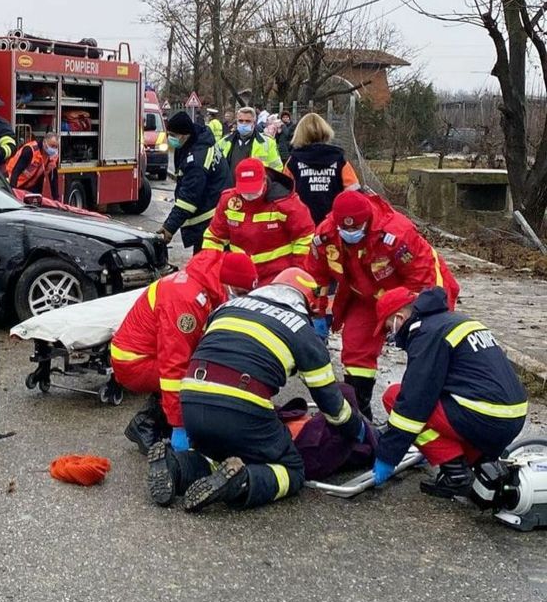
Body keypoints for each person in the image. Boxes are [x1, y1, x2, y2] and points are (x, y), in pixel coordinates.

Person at [146, 267, 367, 511]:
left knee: (215, 456)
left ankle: (175, 466)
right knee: (292, 468)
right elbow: (331, 402)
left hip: (191, 399)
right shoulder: (301, 330)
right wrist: (356, 428)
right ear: (307, 301)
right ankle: (242, 483)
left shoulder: (226, 308)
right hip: (239, 405)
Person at [305, 189, 460, 420]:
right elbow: (315, 276)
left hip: (415, 296)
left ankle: (435, 405)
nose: (348, 233)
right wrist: (317, 313)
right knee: (356, 347)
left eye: (354, 228)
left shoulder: (396, 233)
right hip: (366, 296)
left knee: (428, 350)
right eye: (343, 228)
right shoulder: (326, 235)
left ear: (366, 221)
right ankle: (360, 411)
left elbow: (423, 279)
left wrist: (412, 316)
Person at [373, 286, 527, 498]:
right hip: (512, 418)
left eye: (388, 327)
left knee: (394, 396)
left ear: (399, 317)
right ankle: (474, 462)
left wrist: (388, 456)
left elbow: (413, 403)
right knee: (433, 401)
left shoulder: (426, 334)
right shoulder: (454, 320)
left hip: (485, 418)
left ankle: (456, 474)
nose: (389, 334)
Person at [114, 252, 259, 454]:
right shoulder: (186, 301)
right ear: (226, 282)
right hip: (135, 362)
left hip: (144, 354)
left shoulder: (206, 284)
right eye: (240, 293)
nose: (241, 299)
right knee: (200, 377)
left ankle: (156, 420)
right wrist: (179, 425)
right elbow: (173, 367)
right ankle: (145, 425)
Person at [202, 158, 315, 285]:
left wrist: (296, 272)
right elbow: (214, 237)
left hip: (277, 276)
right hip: (241, 275)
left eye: (254, 190)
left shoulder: (286, 203)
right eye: (245, 191)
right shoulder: (229, 201)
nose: (249, 195)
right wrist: (212, 268)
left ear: (264, 181)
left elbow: (305, 237)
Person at [156, 111, 230, 254]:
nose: (170, 138)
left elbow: (188, 199)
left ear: (184, 135)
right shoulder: (196, 141)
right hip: (216, 216)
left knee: (205, 265)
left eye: (173, 135)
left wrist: (169, 227)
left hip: (211, 222)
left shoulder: (197, 160)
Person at [283, 112, 359, 225]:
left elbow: (284, 193)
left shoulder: (293, 161)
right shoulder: (339, 160)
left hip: (302, 223)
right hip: (334, 223)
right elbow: (353, 190)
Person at [218, 106, 283, 183]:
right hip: (229, 189)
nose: (244, 123)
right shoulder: (223, 142)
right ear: (236, 122)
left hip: (255, 190)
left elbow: (277, 169)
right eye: (241, 121)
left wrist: (264, 184)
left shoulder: (267, 143)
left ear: (254, 123)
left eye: (248, 121)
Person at [5, 132, 60, 197]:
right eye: (52, 146)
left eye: (56, 147)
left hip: (29, 187)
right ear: (45, 142)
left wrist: (56, 200)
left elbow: (53, 180)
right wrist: (13, 192)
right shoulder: (30, 150)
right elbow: (16, 172)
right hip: (11, 182)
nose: (54, 149)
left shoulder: (51, 158)